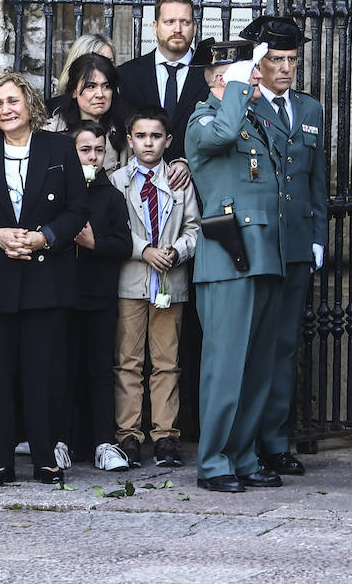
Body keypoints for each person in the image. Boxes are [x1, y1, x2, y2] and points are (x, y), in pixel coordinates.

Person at [0, 72, 88, 486]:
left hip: (45, 277)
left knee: (42, 374)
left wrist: (42, 237)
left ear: (30, 104)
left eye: (12, 101)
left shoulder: (59, 148)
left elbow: (77, 209)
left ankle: (46, 459)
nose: (5, 109)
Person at [185, 39, 286, 494]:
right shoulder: (204, 120)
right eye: (250, 71)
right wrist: (237, 91)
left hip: (262, 253)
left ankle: (243, 455)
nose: (259, 76)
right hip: (228, 256)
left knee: (256, 367)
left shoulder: (251, 119)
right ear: (224, 79)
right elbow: (221, 138)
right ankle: (213, 462)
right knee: (225, 367)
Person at [239, 14, 327, 478]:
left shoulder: (309, 109)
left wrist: (318, 237)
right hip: (258, 243)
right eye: (276, 59)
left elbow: (317, 180)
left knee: (285, 346)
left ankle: (275, 442)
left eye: (292, 59)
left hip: (295, 242)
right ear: (260, 62)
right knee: (254, 345)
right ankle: (246, 443)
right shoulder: (246, 105)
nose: (287, 68)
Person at [110, 106, 201, 469]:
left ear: (168, 140)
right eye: (141, 136)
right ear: (129, 140)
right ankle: (128, 435)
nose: (148, 143)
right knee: (128, 361)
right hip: (131, 282)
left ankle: (165, 436)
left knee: (166, 362)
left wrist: (177, 250)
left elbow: (194, 228)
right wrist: (143, 250)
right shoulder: (117, 181)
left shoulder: (179, 181)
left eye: (156, 136)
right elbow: (114, 228)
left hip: (169, 283)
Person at [63, 121, 132, 473]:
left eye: (99, 150)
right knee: (62, 369)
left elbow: (124, 245)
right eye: (85, 150)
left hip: (100, 297)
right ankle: (62, 440)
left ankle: (104, 441)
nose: (93, 157)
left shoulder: (112, 196)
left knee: (100, 369)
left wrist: (95, 243)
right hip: (62, 296)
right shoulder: (59, 192)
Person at [118, 0, 208, 162]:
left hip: (196, 174)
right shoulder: (128, 74)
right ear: (155, 27)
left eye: (185, 22)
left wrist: (188, 162)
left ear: (195, 27)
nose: (177, 29)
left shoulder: (210, 75)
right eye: (169, 22)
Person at [49, 52, 133, 175]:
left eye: (106, 86)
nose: (100, 94)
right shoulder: (52, 132)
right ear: (74, 91)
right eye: (91, 86)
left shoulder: (125, 133)